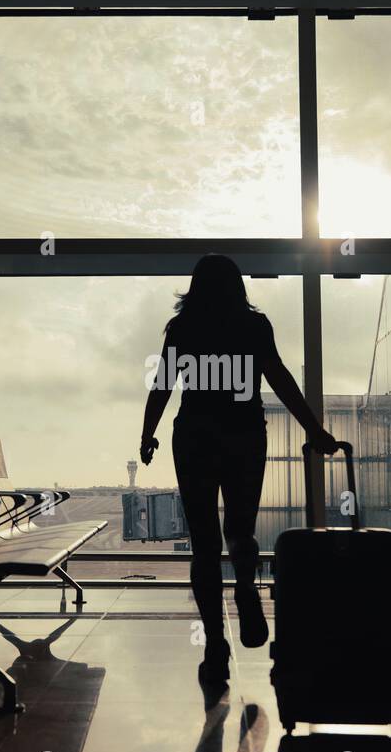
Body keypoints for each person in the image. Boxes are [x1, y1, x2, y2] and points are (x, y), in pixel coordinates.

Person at [140, 254, 338, 685]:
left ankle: (215, 644)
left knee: (204, 544)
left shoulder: (182, 328)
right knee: (241, 530)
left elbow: (163, 385)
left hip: (194, 437)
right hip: (244, 435)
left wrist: (147, 433)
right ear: (237, 286)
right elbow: (279, 377)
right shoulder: (254, 325)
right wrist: (314, 429)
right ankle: (246, 586)